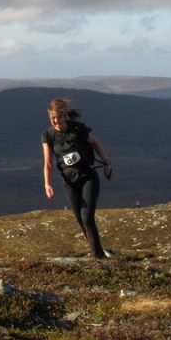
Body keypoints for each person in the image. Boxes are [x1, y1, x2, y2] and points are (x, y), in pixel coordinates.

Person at [42, 97, 113, 260]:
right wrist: (47, 184)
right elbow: (48, 163)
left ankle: (99, 257)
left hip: (88, 176)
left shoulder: (78, 129)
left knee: (87, 217)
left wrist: (107, 163)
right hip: (69, 181)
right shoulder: (48, 136)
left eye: (58, 117)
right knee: (81, 220)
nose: (55, 121)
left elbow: (95, 144)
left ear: (65, 116)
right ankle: (96, 250)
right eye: (52, 118)